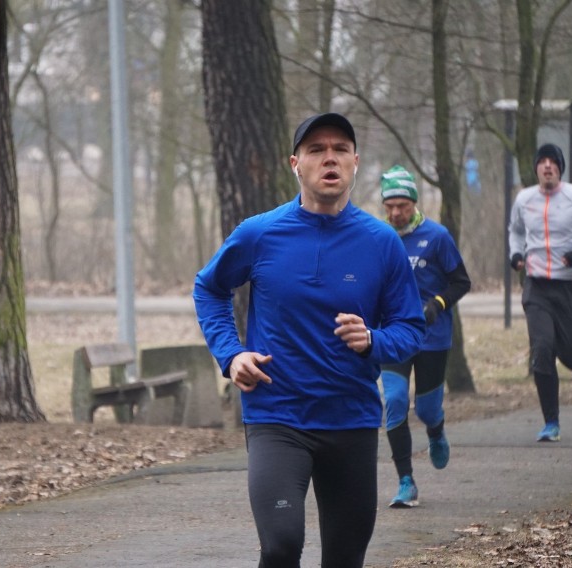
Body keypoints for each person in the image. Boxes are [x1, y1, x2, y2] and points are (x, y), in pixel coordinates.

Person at [193, 113, 425, 567]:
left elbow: (411, 327)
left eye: (340, 149)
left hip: (350, 420)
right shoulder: (259, 234)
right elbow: (209, 288)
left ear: (356, 163)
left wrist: (373, 341)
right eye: (317, 150)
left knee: (343, 559)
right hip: (278, 417)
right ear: (295, 164)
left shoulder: (382, 242)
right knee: (281, 545)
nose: (329, 158)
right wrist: (231, 353)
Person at [378, 165, 472, 508]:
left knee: (427, 409)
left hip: (432, 336)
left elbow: (461, 281)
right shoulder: (377, 237)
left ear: (414, 203)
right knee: (397, 402)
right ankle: (406, 481)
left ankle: (436, 430)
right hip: (392, 335)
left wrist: (438, 303)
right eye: (390, 206)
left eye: (402, 205)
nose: (396, 212)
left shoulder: (437, 237)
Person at [508, 143, 572, 442]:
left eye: (553, 162)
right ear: (537, 168)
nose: (547, 166)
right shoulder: (524, 199)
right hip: (537, 285)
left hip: (571, 286)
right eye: (542, 162)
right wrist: (516, 254)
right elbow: (514, 230)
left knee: (571, 352)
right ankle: (551, 422)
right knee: (541, 350)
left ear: (560, 169)